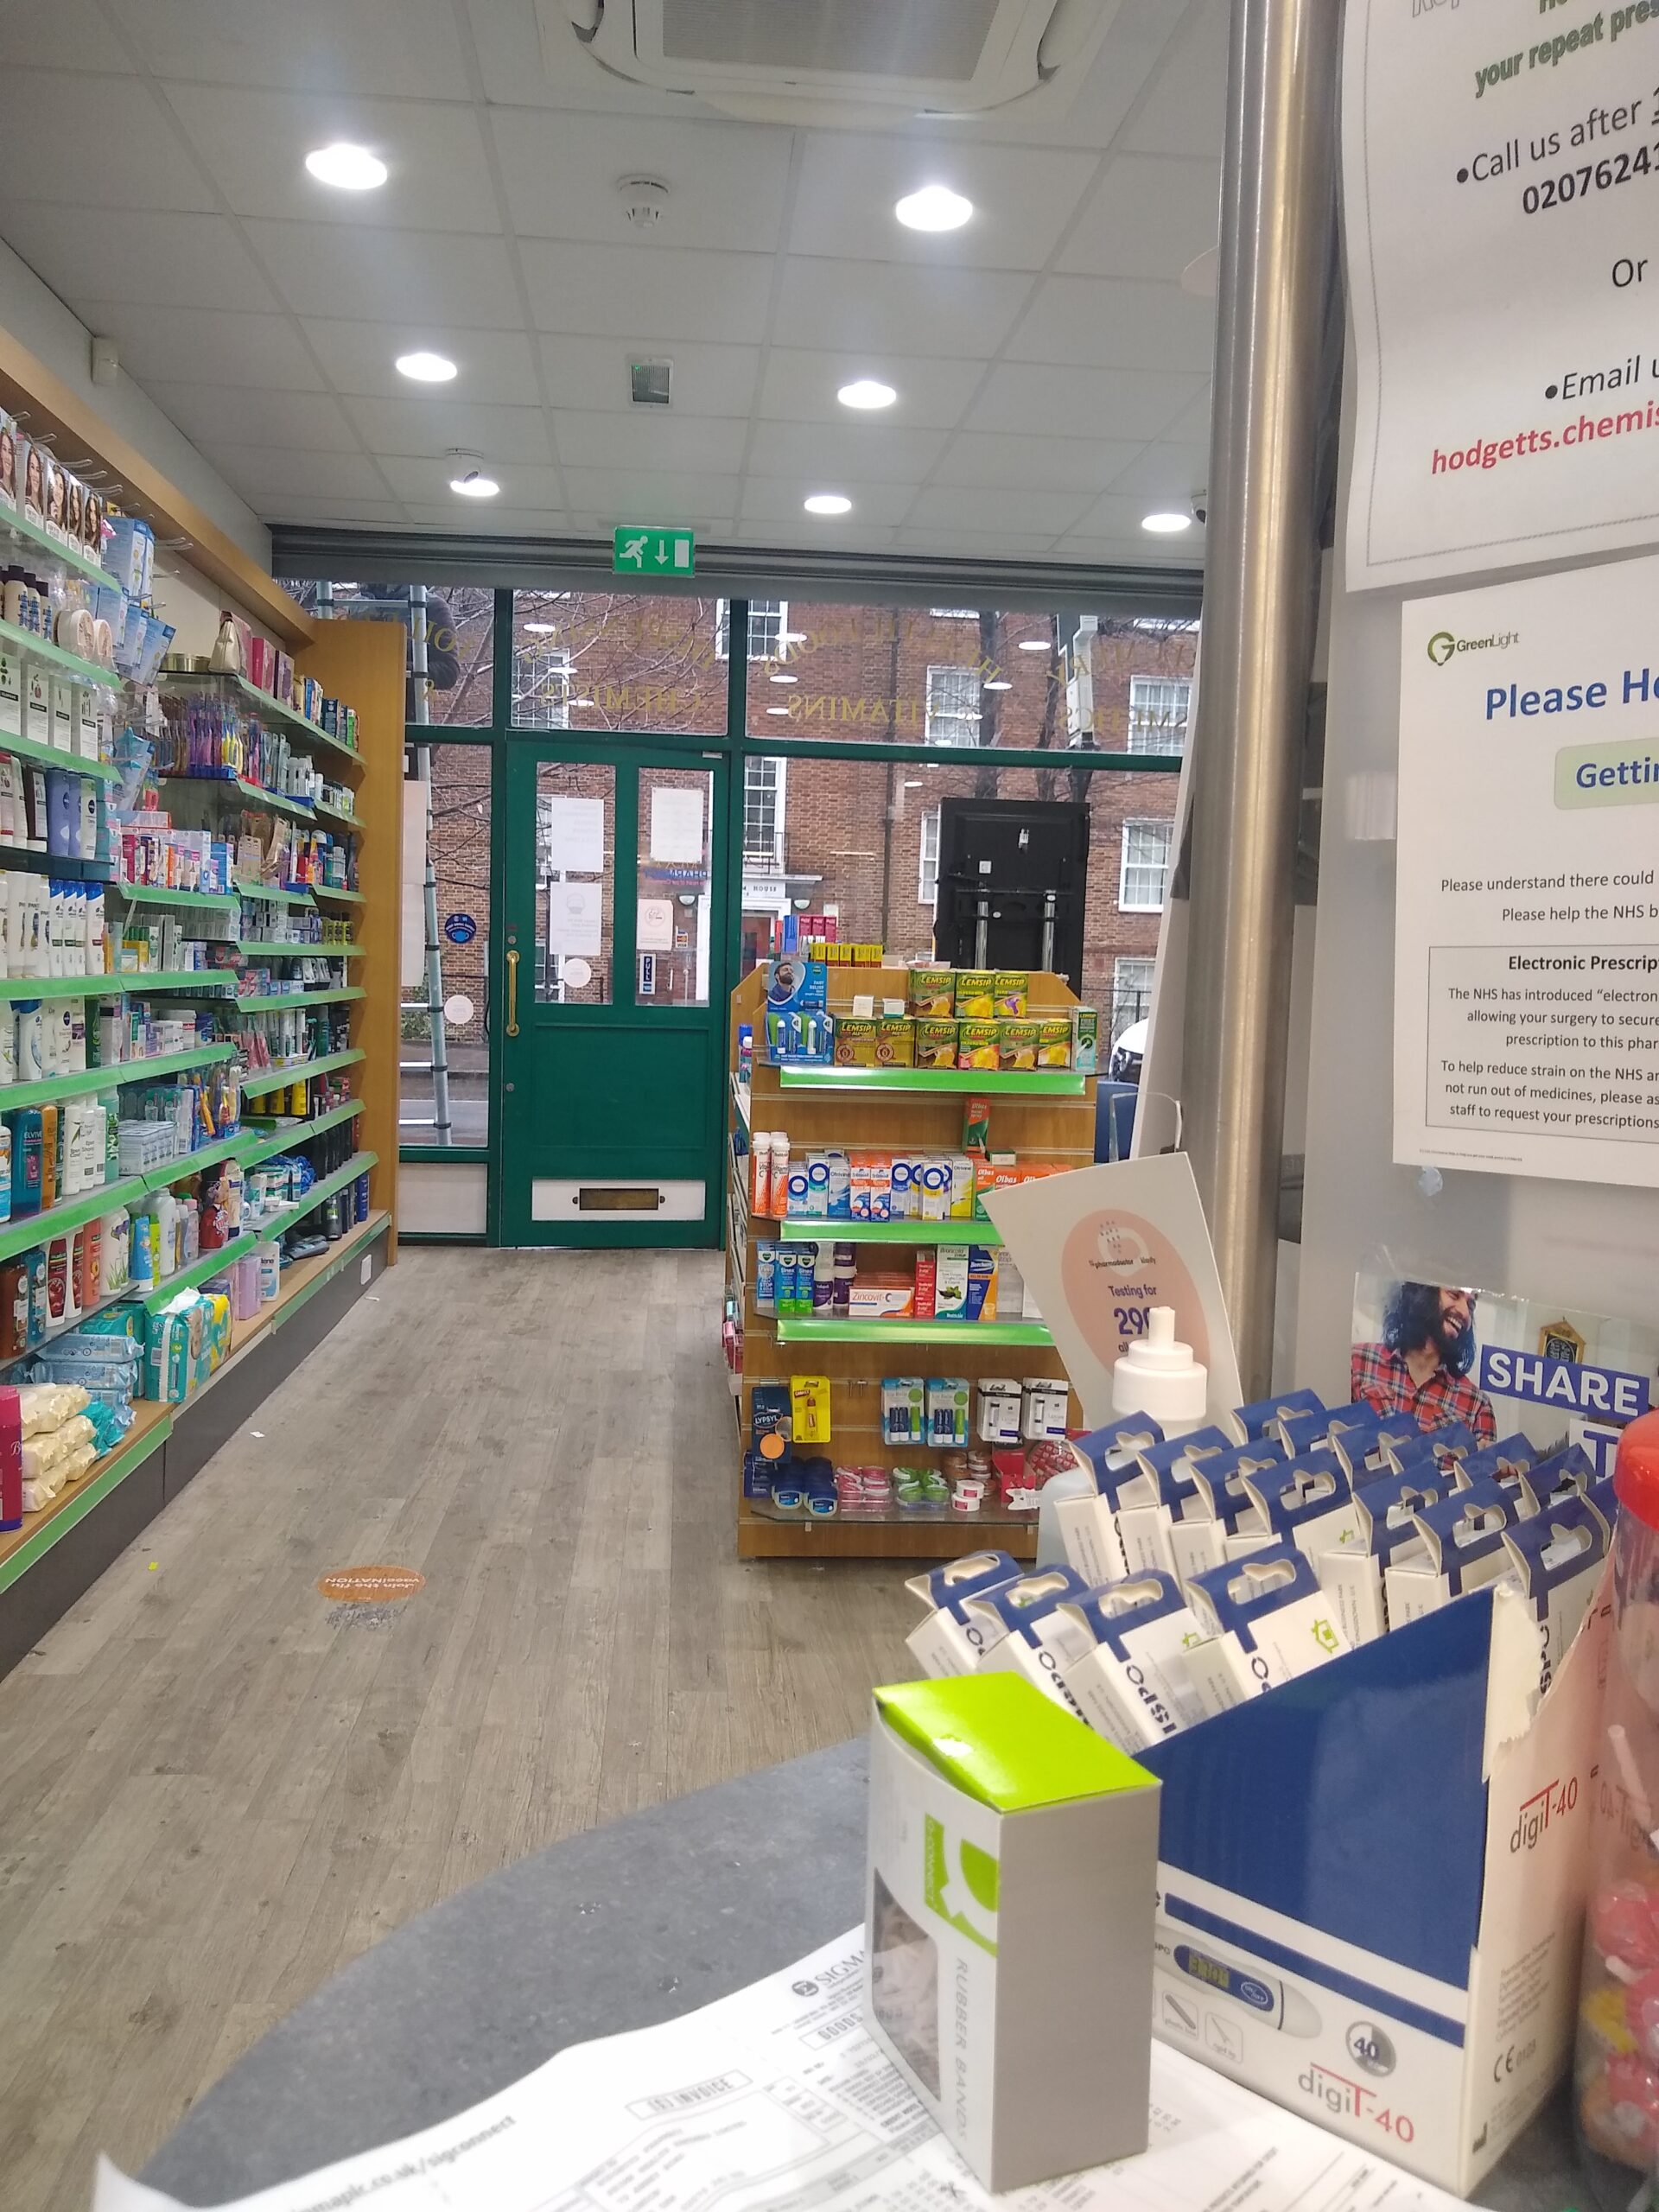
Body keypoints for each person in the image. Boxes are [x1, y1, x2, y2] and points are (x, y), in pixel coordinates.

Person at [1351, 1280, 1496, 1439]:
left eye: (1471, 1306)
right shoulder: (1358, 1362)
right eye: (1454, 1295)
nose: (1465, 1313)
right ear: (1424, 1293)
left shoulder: (1477, 1407)